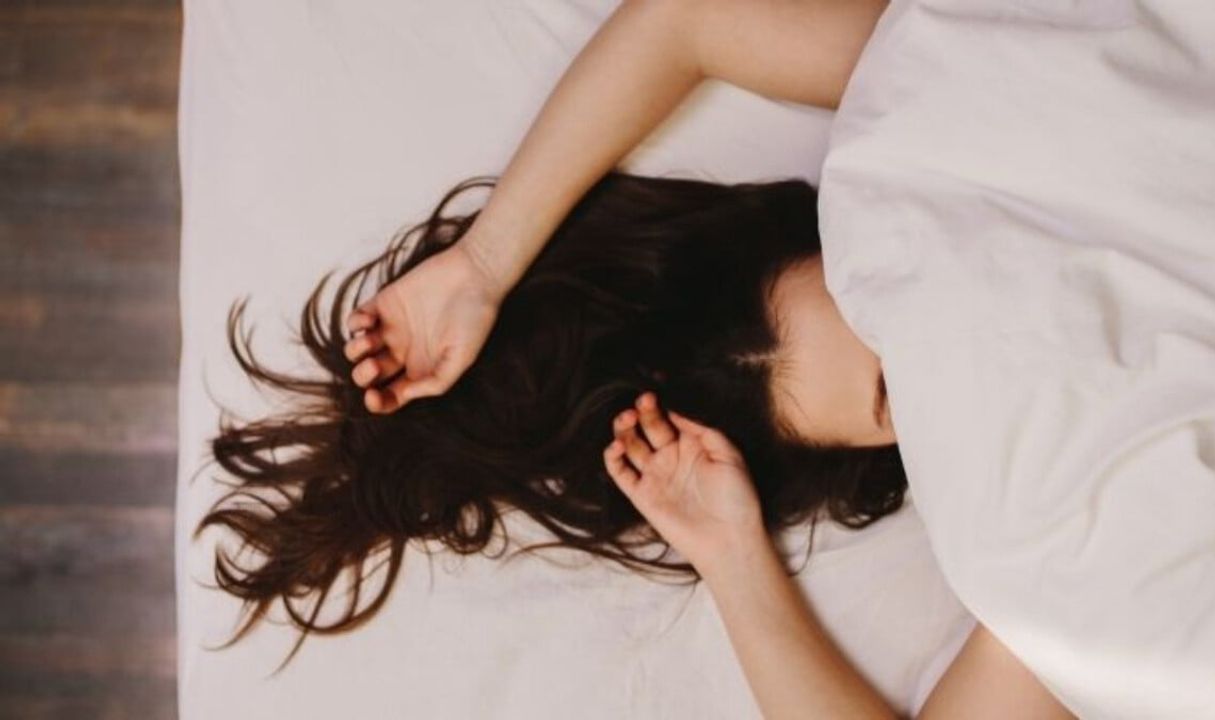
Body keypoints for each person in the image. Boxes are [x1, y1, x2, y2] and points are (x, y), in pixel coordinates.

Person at [205, 1, 1074, 717]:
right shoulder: (1059, 515)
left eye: (875, 296)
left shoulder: (976, 105)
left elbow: (684, 21)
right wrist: (733, 557)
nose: (940, 336)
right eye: (893, 389)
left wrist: (484, 265)